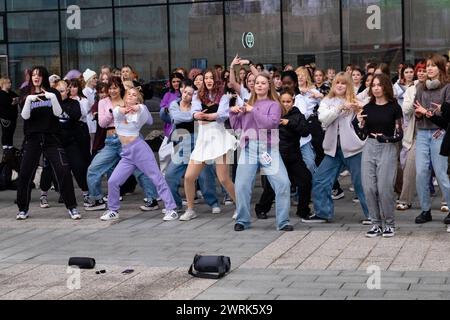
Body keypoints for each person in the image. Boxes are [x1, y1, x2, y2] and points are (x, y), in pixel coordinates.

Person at [101, 87, 177, 221]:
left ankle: (171, 209)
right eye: (128, 94)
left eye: (134, 95)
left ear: (138, 98)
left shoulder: (141, 111)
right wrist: (125, 110)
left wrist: (139, 107)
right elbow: (118, 112)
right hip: (127, 153)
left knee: (156, 178)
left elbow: (148, 117)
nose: (131, 96)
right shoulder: (118, 110)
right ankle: (113, 210)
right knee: (113, 181)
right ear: (124, 97)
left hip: (140, 149)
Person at [230, 72, 293, 232]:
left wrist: (253, 110)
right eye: (257, 83)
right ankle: (242, 220)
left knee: (283, 184)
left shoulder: (274, 105)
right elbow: (237, 127)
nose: (259, 85)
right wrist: (233, 113)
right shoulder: (247, 103)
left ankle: (283, 222)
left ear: (269, 85)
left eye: (263, 83)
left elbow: (270, 124)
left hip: (269, 149)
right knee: (241, 185)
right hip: (249, 148)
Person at [85, 77, 158, 212]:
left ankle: (152, 199)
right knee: (94, 168)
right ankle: (97, 198)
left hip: (129, 141)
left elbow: (141, 117)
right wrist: (114, 111)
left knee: (140, 171)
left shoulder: (127, 100)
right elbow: (102, 123)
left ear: (120, 88)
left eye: (115, 87)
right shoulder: (103, 102)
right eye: (110, 88)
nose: (112, 91)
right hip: (111, 141)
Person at [305, 72, 370, 224]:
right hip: (332, 150)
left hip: (354, 149)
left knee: (362, 183)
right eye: (337, 83)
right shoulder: (327, 101)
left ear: (349, 86)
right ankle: (323, 213)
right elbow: (324, 119)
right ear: (333, 85)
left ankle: (372, 215)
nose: (340, 85)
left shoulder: (356, 100)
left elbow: (369, 109)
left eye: (344, 83)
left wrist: (358, 110)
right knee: (320, 180)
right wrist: (340, 108)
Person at [16, 66, 79, 220]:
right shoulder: (25, 93)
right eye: (33, 75)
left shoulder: (54, 92)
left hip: (51, 137)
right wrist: (29, 100)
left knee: (63, 170)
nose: (36, 77)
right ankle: (23, 209)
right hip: (33, 138)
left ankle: (72, 207)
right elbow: (24, 116)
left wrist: (51, 97)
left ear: (44, 76)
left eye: (38, 75)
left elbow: (58, 113)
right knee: (25, 173)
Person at [180, 69, 237, 221]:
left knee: (224, 178)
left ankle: (241, 206)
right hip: (203, 139)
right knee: (189, 177)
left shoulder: (223, 96)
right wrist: (198, 115)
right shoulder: (197, 95)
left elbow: (223, 115)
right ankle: (191, 209)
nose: (208, 80)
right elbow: (194, 113)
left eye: (212, 77)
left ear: (216, 79)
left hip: (218, 137)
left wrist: (208, 116)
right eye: (206, 78)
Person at [354, 74, 403, 237]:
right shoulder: (367, 108)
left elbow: (399, 134)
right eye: (373, 85)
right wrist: (357, 123)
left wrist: (386, 138)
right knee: (368, 187)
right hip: (369, 147)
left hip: (388, 148)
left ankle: (389, 223)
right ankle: (375, 223)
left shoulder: (394, 107)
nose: (375, 88)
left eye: (379, 85)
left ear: (385, 87)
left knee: (384, 189)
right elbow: (362, 135)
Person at [164, 80, 220, 215]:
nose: (186, 96)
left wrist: (195, 115)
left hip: (199, 142)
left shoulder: (198, 104)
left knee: (206, 174)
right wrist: (193, 116)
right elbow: (176, 118)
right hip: (182, 144)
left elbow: (207, 117)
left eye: (190, 94)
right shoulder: (174, 104)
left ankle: (213, 202)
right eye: (185, 92)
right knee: (170, 175)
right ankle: (176, 204)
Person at [254, 89, 312, 219]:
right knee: (271, 185)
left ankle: (303, 210)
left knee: (306, 180)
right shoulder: (273, 114)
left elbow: (305, 132)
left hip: (294, 156)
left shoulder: (297, 115)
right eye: (283, 101)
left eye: (288, 101)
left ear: (293, 101)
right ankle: (261, 208)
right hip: (276, 155)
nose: (286, 104)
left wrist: (289, 123)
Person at [413, 54, 450, 227]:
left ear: (441, 68)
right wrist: (419, 113)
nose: (429, 68)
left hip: (439, 133)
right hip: (422, 133)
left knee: (441, 173)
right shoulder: (420, 87)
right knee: (420, 173)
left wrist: (428, 113)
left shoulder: (447, 87)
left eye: (433, 65)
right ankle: (425, 210)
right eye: (427, 66)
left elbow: (447, 115)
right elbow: (416, 109)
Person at [396, 61, 427, 211]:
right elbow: (406, 110)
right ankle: (405, 199)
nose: (421, 73)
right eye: (419, 70)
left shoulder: (440, 87)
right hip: (416, 134)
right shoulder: (411, 89)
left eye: (424, 70)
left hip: (436, 132)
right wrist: (416, 94)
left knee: (440, 170)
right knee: (409, 167)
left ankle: (445, 202)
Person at [160, 72, 184, 137]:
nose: (176, 83)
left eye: (178, 81)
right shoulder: (168, 94)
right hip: (170, 121)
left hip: (183, 121)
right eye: (173, 82)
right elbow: (162, 109)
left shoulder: (185, 93)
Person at [0, 78, 19, 151]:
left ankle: (10, 147)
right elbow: (9, 102)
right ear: (3, 84)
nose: (10, 84)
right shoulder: (1, 94)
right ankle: (5, 147)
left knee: (11, 133)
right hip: (5, 118)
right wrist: (13, 101)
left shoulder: (11, 92)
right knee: (6, 133)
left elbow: (17, 98)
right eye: (8, 83)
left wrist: (14, 101)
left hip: (13, 118)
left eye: (10, 82)